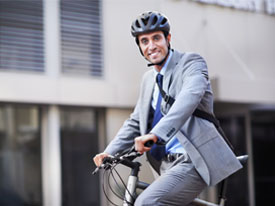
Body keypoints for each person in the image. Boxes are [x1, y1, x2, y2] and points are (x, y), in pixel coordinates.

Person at [93, 11, 242, 206]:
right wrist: (109, 152)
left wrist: (156, 134)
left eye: (156, 38)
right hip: (164, 165)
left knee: (145, 203)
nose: (151, 46)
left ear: (168, 38)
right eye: (144, 41)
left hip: (193, 160)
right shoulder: (148, 79)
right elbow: (136, 122)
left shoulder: (191, 63)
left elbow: (189, 98)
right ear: (140, 47)